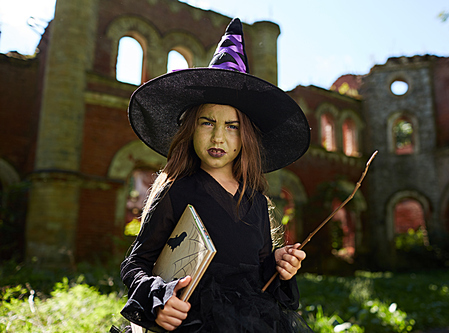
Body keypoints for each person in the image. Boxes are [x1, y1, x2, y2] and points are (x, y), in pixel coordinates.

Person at [120, 18, 312, 332]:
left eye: (231, 126)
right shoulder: (176, 190)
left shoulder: (256, 201)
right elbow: (136, 264)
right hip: (191, 322)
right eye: (207, 122)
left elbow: (260, 270)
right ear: (190, 129)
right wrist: (158, 298)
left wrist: (279, 266)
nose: (218, 137)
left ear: (246, 137)